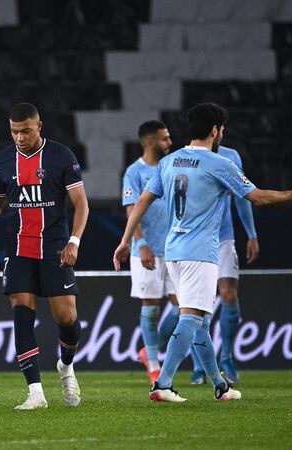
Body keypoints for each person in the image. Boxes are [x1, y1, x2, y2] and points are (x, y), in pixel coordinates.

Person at [113, 103, 292, 403]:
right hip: (199, 252)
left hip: (173, 251)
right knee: (191, 317)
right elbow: (258, 198)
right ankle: (162, 383)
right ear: (215, 130)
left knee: (198, 319)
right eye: (222, 129)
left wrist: (125, 241)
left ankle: (219, 385)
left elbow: (142, 202)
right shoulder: (219, 163)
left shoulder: (169, 161)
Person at [0, 103, 89, 410]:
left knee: (68, 319)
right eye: (14, 131)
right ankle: (35, 393)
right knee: (22, 314)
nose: (19, 138)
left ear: (39, 126)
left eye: (25, 131)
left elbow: (81, 204)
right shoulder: (3, 160)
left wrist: (74, 241)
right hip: (18, 249)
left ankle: (66, 366)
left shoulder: (62, 156)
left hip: (55, 248)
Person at [122, 120, 178, 384]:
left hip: (175, 248)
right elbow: (132, 209)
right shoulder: (134, 172)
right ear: (149, 142)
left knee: (183, 307)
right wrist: (141, 243)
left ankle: (150, 350)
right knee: (151, 305)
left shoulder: (172, 167)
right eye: (164, 139)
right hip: (146, 250)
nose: (170, 142)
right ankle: (154, 362)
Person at [207, 143, 259, 386]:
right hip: (193, 241)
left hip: (224, 237)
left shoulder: (231, 156)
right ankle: (200, 365)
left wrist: (251, 233)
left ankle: (226, 356)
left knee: (228, 294)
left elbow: (243, 195)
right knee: (193, 304)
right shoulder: (185, 157)